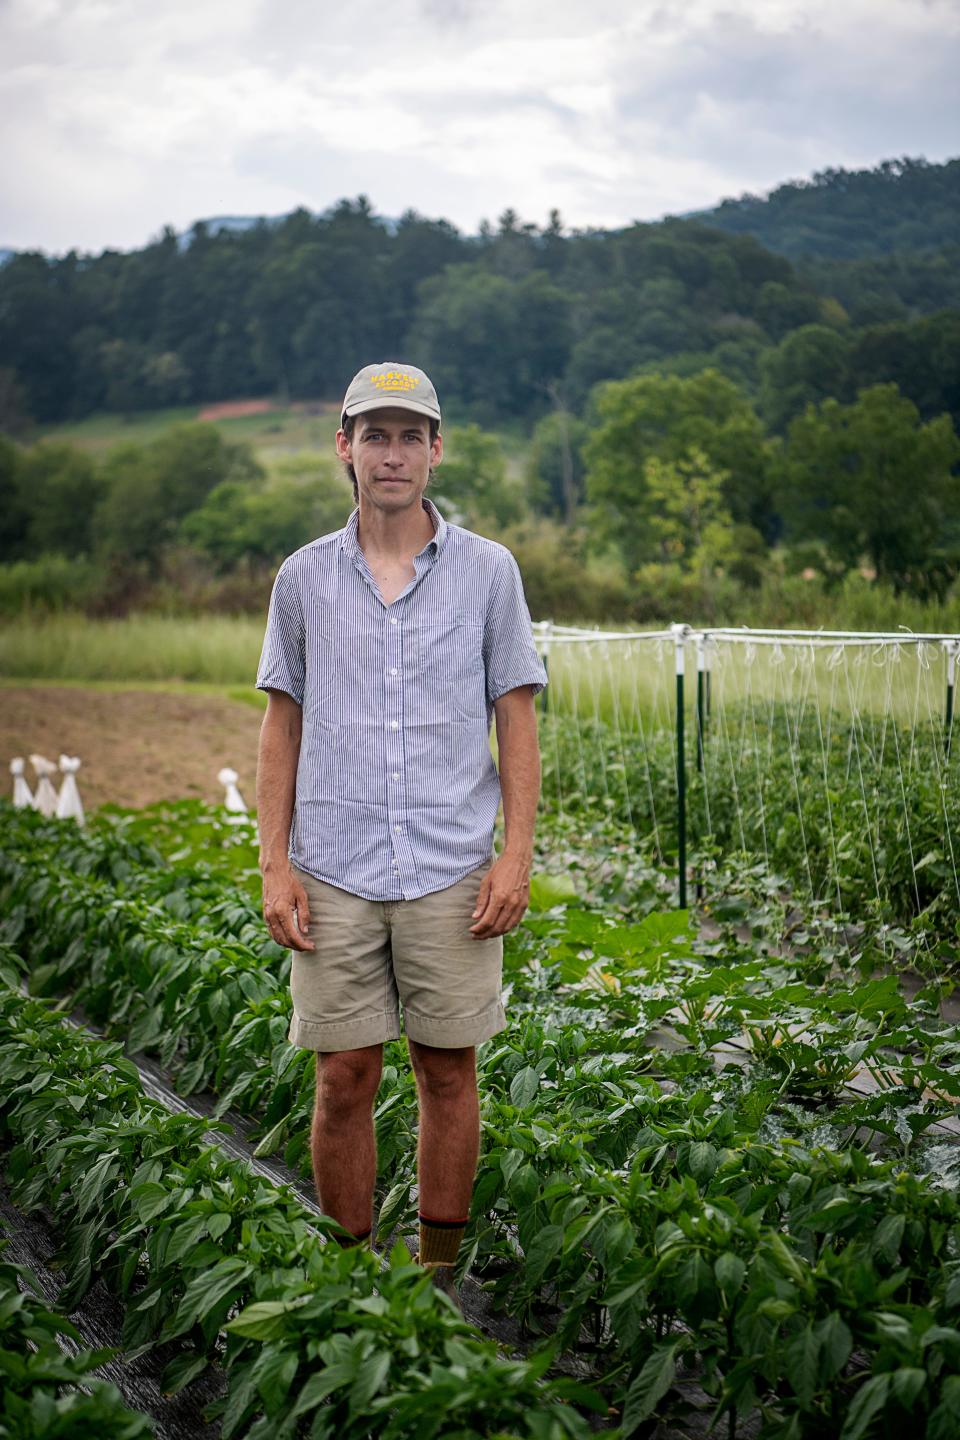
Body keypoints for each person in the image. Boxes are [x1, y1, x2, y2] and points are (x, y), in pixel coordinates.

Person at [255, 361, 546, 1305]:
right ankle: (350, 1288)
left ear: (435, 449)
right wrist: (274, 866)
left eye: (409, 435)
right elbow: (281, 724)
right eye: (373, 435)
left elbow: (516, 715)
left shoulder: (488, 571)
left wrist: (514, 855)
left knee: (446, 1069)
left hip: (449, 864)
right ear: (344, 446)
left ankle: (436, 1279)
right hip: (334, 863)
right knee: (344, 1074)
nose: (392, 453)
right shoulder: (302, 578)